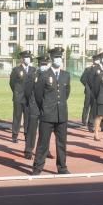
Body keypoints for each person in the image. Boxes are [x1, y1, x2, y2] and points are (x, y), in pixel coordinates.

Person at [30, 46, 71, 175]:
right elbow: (38, 95)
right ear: (52, 59)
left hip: (61, 115)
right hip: (47, 114)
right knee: (43, 143)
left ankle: (62, 167)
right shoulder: (44, 75)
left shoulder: (66, 75)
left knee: (62, 144)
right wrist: (45, 108)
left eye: (60, 57)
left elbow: (66, 93)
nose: (59, 60)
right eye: (56, 57)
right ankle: (37, 168)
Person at [23, 53, 50, 160]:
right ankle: (29, 150)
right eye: (42, 64)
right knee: (32, 129)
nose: (44, 66)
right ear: (38, 64)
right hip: (34, 105)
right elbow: (27, 91)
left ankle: (45, 150)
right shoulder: (32, 75)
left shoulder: (50, 75)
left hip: (47, 106)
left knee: (46, 130)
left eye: (45, 64)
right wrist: (31, 102)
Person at [8, 50, 32, 143]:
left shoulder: (33, 70)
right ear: (22, 59)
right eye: (26, 57)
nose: (28, 59)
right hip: (18, 97)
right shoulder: (16, 70)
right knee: (17, 116)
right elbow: (12, 83)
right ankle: (15, 135)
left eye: (29, 57)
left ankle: (27, 134)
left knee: (27, 117)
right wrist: (17, 92)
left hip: (28, 98)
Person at [80, 52, 103, 132]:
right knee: (86, 105)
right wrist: (87, 86)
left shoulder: (101, 69)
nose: (97, 61)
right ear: (93, 60)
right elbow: (82, 79)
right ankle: (84, 120)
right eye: (95, 59)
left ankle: (93, 122)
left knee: (94, 107)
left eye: (98, 59)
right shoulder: (88, 69)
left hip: (95, 91)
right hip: (88, 90)